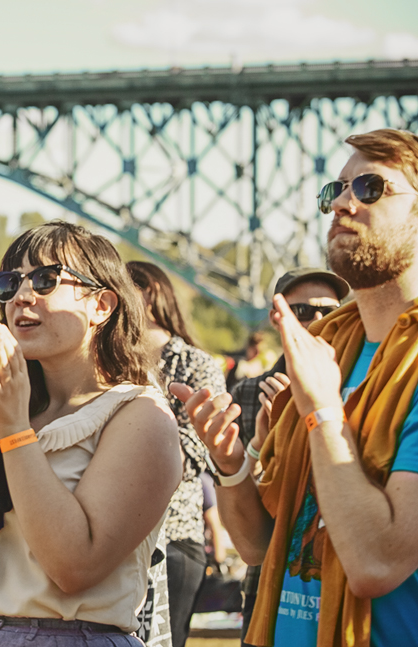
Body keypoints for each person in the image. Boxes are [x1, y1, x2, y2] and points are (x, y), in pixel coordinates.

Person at [171, 128, 418, 647]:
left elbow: (377, 563)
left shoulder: (340, 375)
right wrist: (232, 464)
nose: (343, 203)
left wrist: (324, 411)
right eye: (336, 189)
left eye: (371, 187)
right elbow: (260, 546)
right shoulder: (331, 350)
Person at [0, 221, 182, 646]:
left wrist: (14, 433)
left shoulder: (139, 415)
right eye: (9, 283)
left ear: (102, 305)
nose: (22, 296)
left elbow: (74, 567)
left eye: (46, 280)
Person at [227, 268, 348, 647]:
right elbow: (241, 505)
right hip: (270, 579)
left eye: (330, 310)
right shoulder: (250, 393)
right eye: (302, 311)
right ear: (277, 318)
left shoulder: (359, 385)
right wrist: (262, 446)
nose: (318, 320)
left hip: (339, 580)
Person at [128, 260, 227, 647]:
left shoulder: (194, 363)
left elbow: (196, 450)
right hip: (118, 536)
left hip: (174, 536)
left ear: (150, 294)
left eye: (122, 290)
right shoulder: (107, 361)